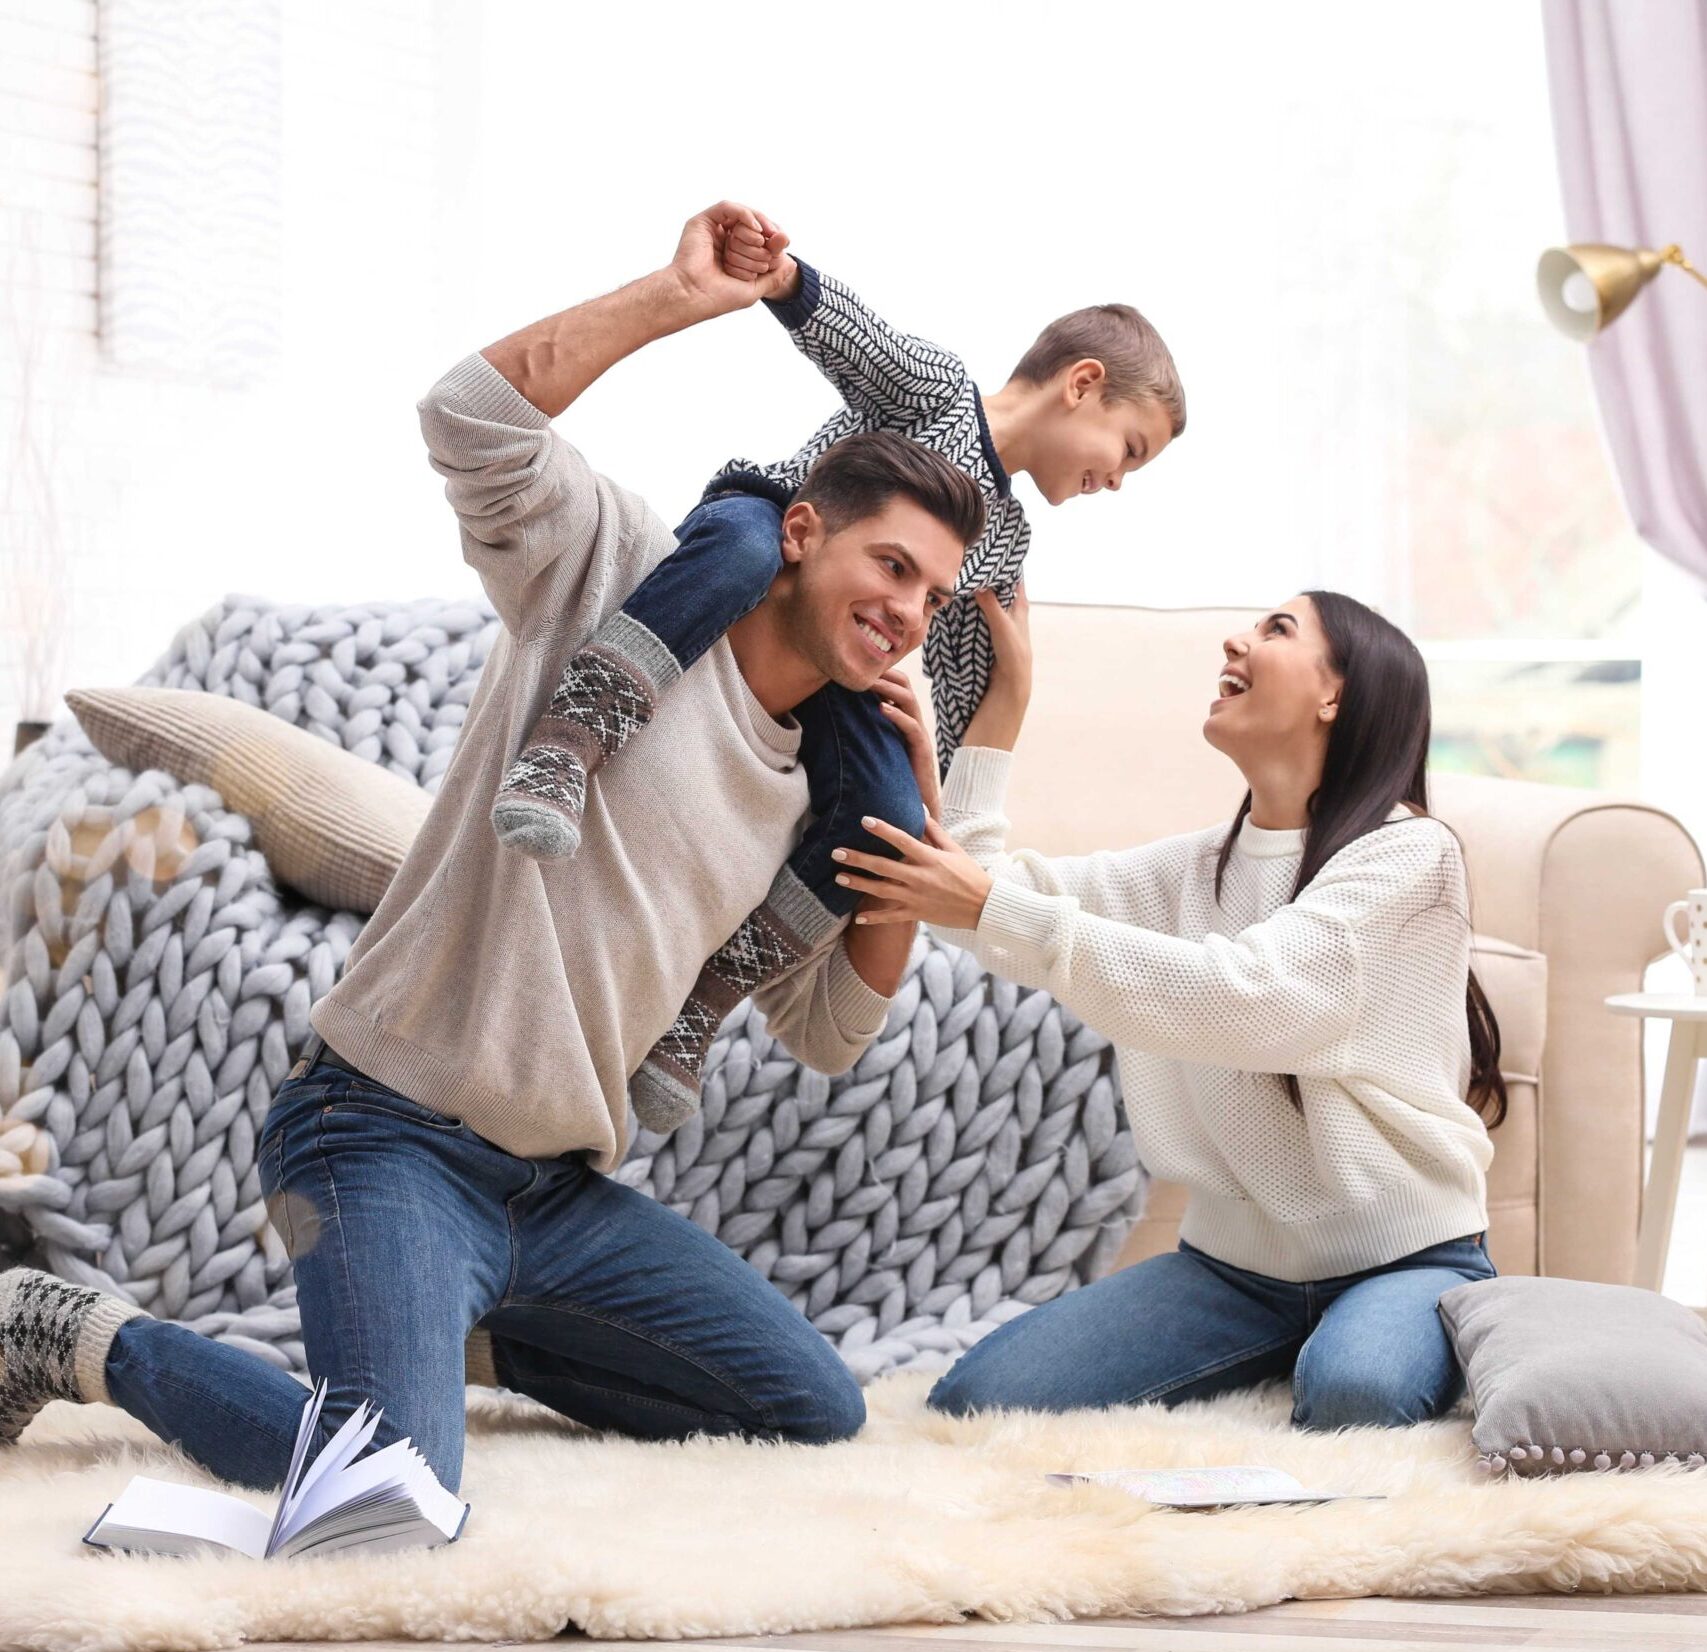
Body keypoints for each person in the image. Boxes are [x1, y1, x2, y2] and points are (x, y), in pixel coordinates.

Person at [0, 202, 985, 1492]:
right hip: (382, 1134)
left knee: (808, 1407)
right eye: (892, 566)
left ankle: (464, 1340)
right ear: (801, 532)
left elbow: (831, 1032)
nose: (908, 614)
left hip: (555, 1196)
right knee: (384, 1484)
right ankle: (68, 1333)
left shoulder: (834, 779)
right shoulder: (623, 573)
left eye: (933, 595)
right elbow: (468, 413)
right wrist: (677, 297)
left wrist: (910, 813)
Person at [493, 210, 1187, 1135]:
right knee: (742, 552)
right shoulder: (937, 390)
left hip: (839, 665)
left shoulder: (1004, 545)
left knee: (891, 823)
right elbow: (863, 344)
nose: (1118, 483)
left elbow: (961, 692)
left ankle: (701, 1006)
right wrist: (779, 277)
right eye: (1127, 451)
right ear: (1083, 384)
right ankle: (564, 745)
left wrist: (1004, 703)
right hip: (772, 534)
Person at [832, 586, 1507, 1429]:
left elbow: (1254, 998)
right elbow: (979, 907)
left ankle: (1395, 1328)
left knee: (1355, 1394)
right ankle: (1292, 1349)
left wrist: (990, 907)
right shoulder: (1192, 869)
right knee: (979, 1400)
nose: (1236, 639)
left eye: (1276, 628)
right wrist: (1003, 707)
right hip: (1229, 1274)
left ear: (1335, 694)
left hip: (1401, 1258)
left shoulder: (1411, 854)